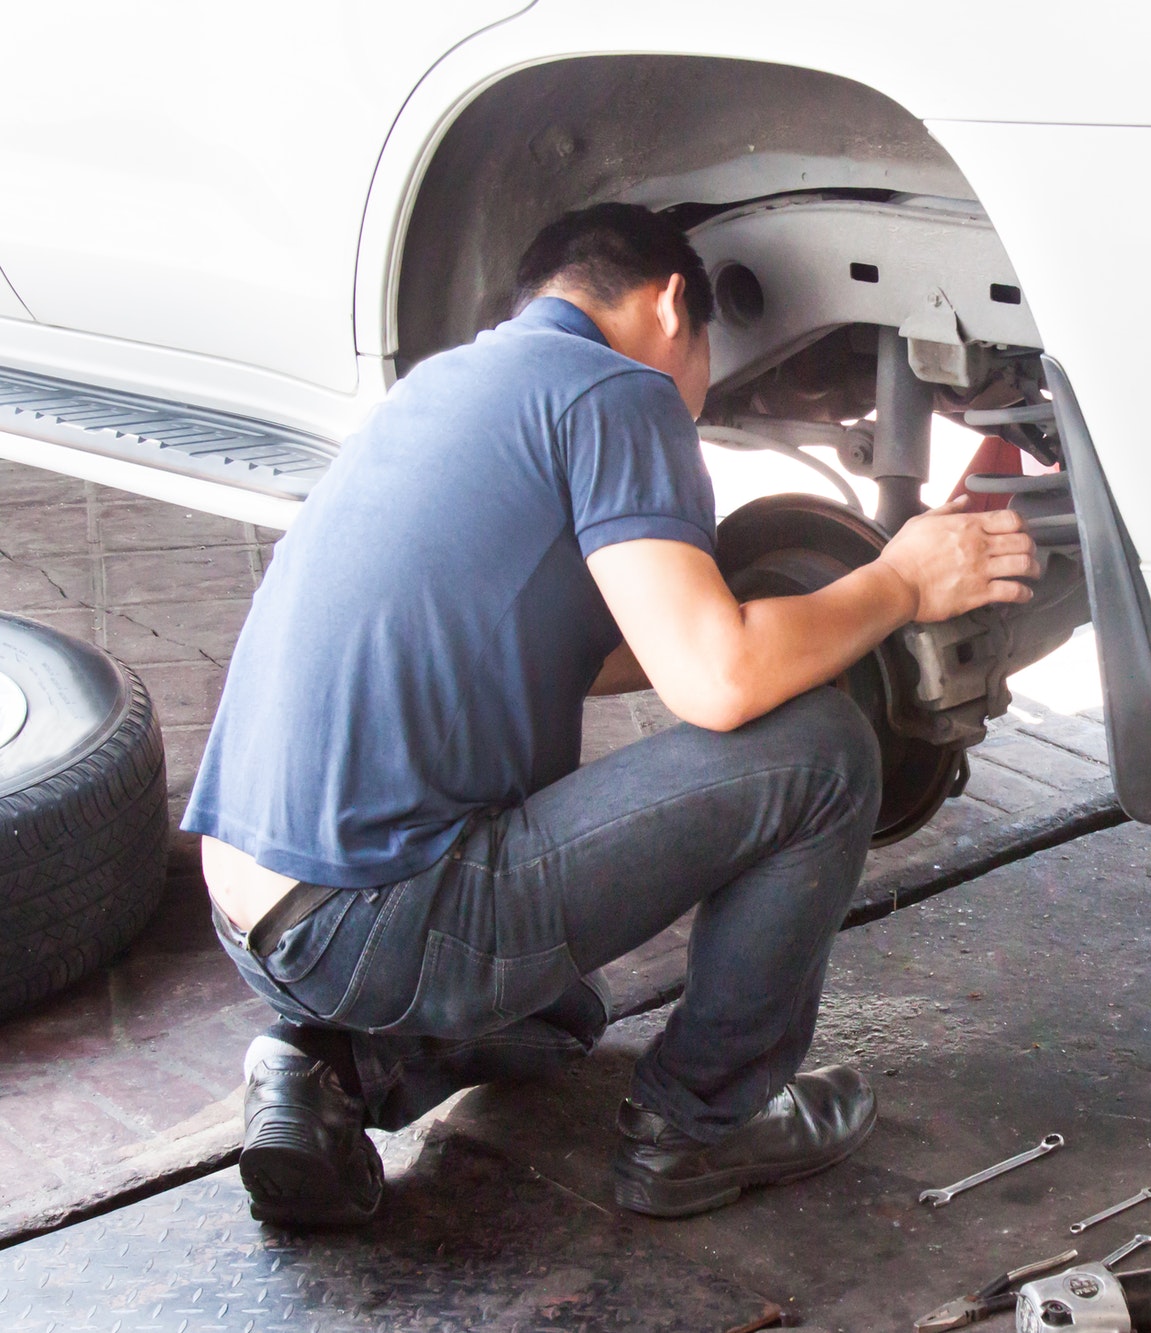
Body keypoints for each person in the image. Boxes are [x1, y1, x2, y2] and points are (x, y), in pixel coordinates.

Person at [184, 203, 1040, 1227]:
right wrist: (897, 586)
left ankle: (316, 1069)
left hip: (250, 904)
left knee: (559, 1021)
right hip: (380, 915)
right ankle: (702, 1127)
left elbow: (590, 649)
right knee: (821, 752)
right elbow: (717, 681)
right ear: (673, 302)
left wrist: (784, 624)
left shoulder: (444, 389)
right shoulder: (621, 391)